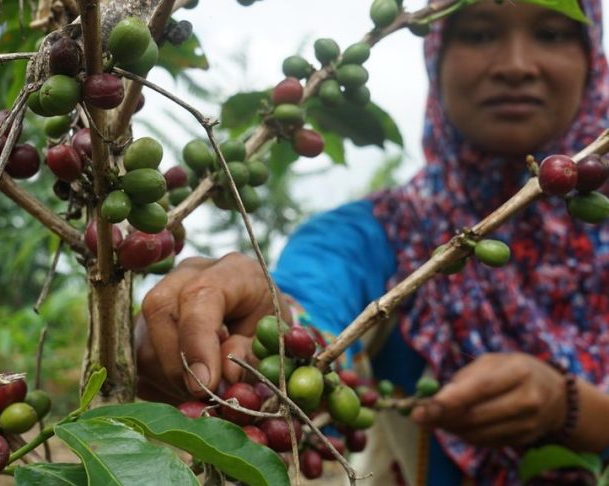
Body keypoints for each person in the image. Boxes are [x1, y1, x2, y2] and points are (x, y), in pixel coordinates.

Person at [136, 0, 609, 483]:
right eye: (480, 34)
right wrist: (258, 326)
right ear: (437, 56)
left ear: (593, 57)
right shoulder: (373, 235)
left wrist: (570, 407)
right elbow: (309, 305)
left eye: (551, 34)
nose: (515, 65)